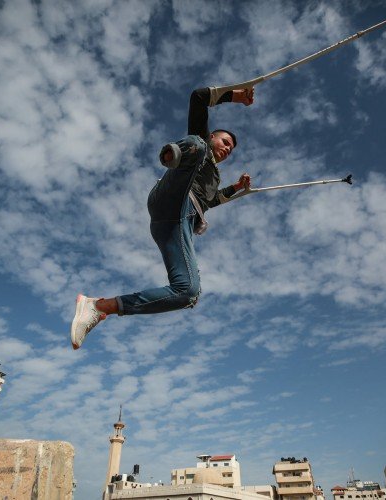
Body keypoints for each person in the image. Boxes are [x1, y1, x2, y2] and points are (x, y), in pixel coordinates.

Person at [70, 85, 255, 349]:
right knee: (196, 145)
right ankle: (175, 154)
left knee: (188, 292)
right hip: (171, 195)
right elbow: (198, 98)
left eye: (231, 150)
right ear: (214, 135)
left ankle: (100, 307)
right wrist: (235, 96)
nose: (227, 149)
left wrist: (236, 188)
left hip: (179, 223)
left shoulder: (215, 176)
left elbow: (211, 201)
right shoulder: (204, 142)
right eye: (225, 142)